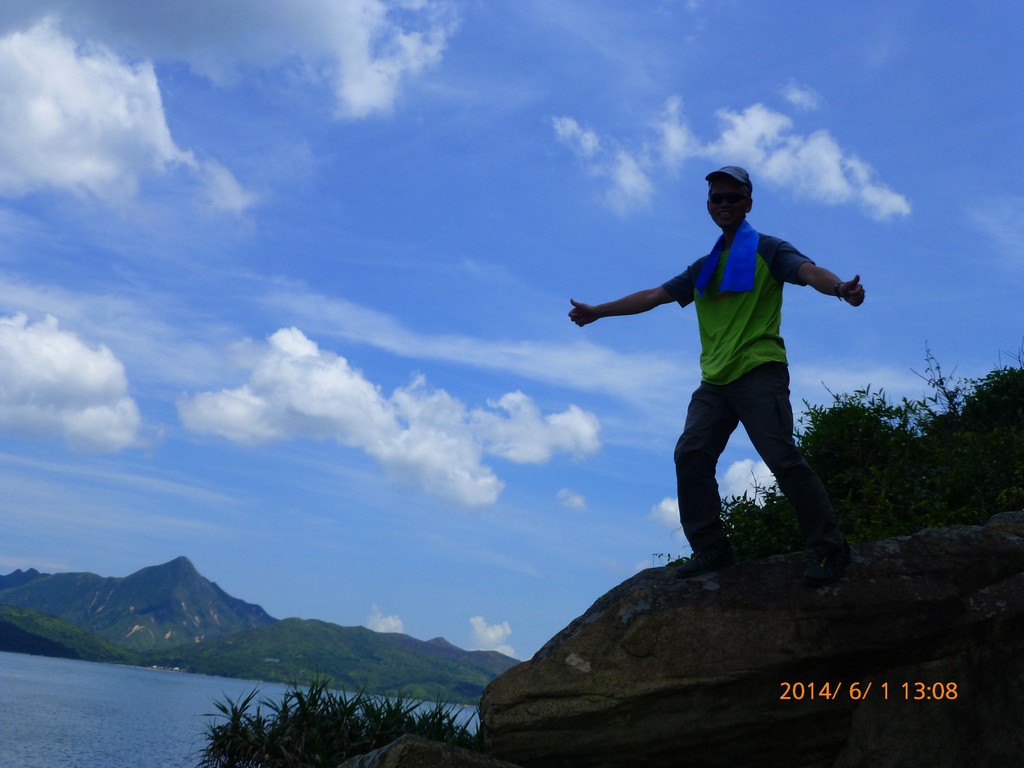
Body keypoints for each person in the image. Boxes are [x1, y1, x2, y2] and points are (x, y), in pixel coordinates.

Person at [568, 166, 864, 586]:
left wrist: (839, 289)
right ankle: (712, 549)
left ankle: (831, 549)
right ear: (708, 206)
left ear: (748, 203)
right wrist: (598, 311)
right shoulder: (703, 268)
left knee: (781, 458)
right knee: (691, 454)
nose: (723, 204)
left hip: (759, 370)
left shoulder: (768, 250)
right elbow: (653, 296)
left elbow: (808, 271)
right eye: (716, 198)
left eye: (732, 197)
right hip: (714, 382)